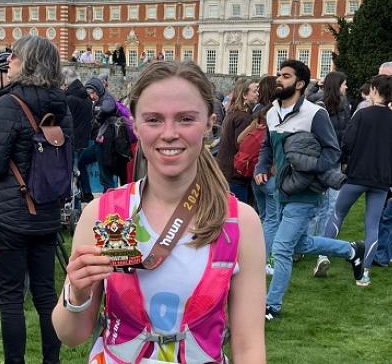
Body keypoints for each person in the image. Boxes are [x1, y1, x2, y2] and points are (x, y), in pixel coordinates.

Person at [52, 60, 266, 363]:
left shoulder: (239, 222)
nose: (169, 133)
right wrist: (76, 294)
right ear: (135, 125)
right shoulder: (106, 214)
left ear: (209, 123)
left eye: (186, 119)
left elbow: (249, 346)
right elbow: (70, 335)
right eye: (153, 119)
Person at [0, 35, 73, 363]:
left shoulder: (10, 103)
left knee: (11, 300)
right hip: (47, 211)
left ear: (28, 63)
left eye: (15, 58)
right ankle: (51, 360)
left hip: (13, 214)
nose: (10, 63)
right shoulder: (62, 105)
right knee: (46, 294)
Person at [255, 59, 366, 320]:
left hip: (306, 193)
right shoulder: (272, 112)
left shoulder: (315, 114)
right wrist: (262, 165)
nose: (279, 80)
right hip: (281, 190)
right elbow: (267, 147)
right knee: (300, 243)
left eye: (285, 76)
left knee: (281, 248)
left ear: (300, 83)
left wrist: (310, 167)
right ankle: (352, 251)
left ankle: (272, 306)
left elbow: (332, 151)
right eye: (278, 75)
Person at [315, 74, 392, 286]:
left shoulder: (361, 115)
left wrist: (345, 161)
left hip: (357, 174)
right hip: (381, 179)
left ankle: (323, 255)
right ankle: (364, 272)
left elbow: (347, 143)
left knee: (338, 213)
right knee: (372, 225)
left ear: (374, 90)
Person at [241, 75, 278, 275]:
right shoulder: (277, 114)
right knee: (272, 219)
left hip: (255, 173)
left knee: (264, 217)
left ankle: (256, 257)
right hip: (269, 175)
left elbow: (240, 139)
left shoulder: (258, 114)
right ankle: (264, 261)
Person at [309, 72, 350, 243]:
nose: (346, 87)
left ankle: (322, 241)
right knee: (316, 203)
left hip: (335, 160)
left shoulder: (343, 106)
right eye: (344, 84)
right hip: (321, 160)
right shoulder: (319, 106)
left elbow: (345, 135)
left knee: (332, 203)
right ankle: (308, 240)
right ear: (336, 85)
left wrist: (344, 159)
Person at [216, 78, 258, 202]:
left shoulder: (233, 112)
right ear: (245, 95)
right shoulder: (243, 117)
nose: (257, 94)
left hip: (226, 169)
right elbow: (242, 146)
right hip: (235, 173)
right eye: (254, 91)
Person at [78, 77, 118, 199]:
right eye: (90, 94)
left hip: (105, 144)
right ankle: (87, 192)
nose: (92, 96)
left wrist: (97, 119)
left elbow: (108, 107)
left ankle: (109, 204)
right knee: (81, 162)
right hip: (97, 144)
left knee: (105, 176)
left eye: (93, 93)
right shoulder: (98, 100)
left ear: (99, 89)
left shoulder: (107, 98)